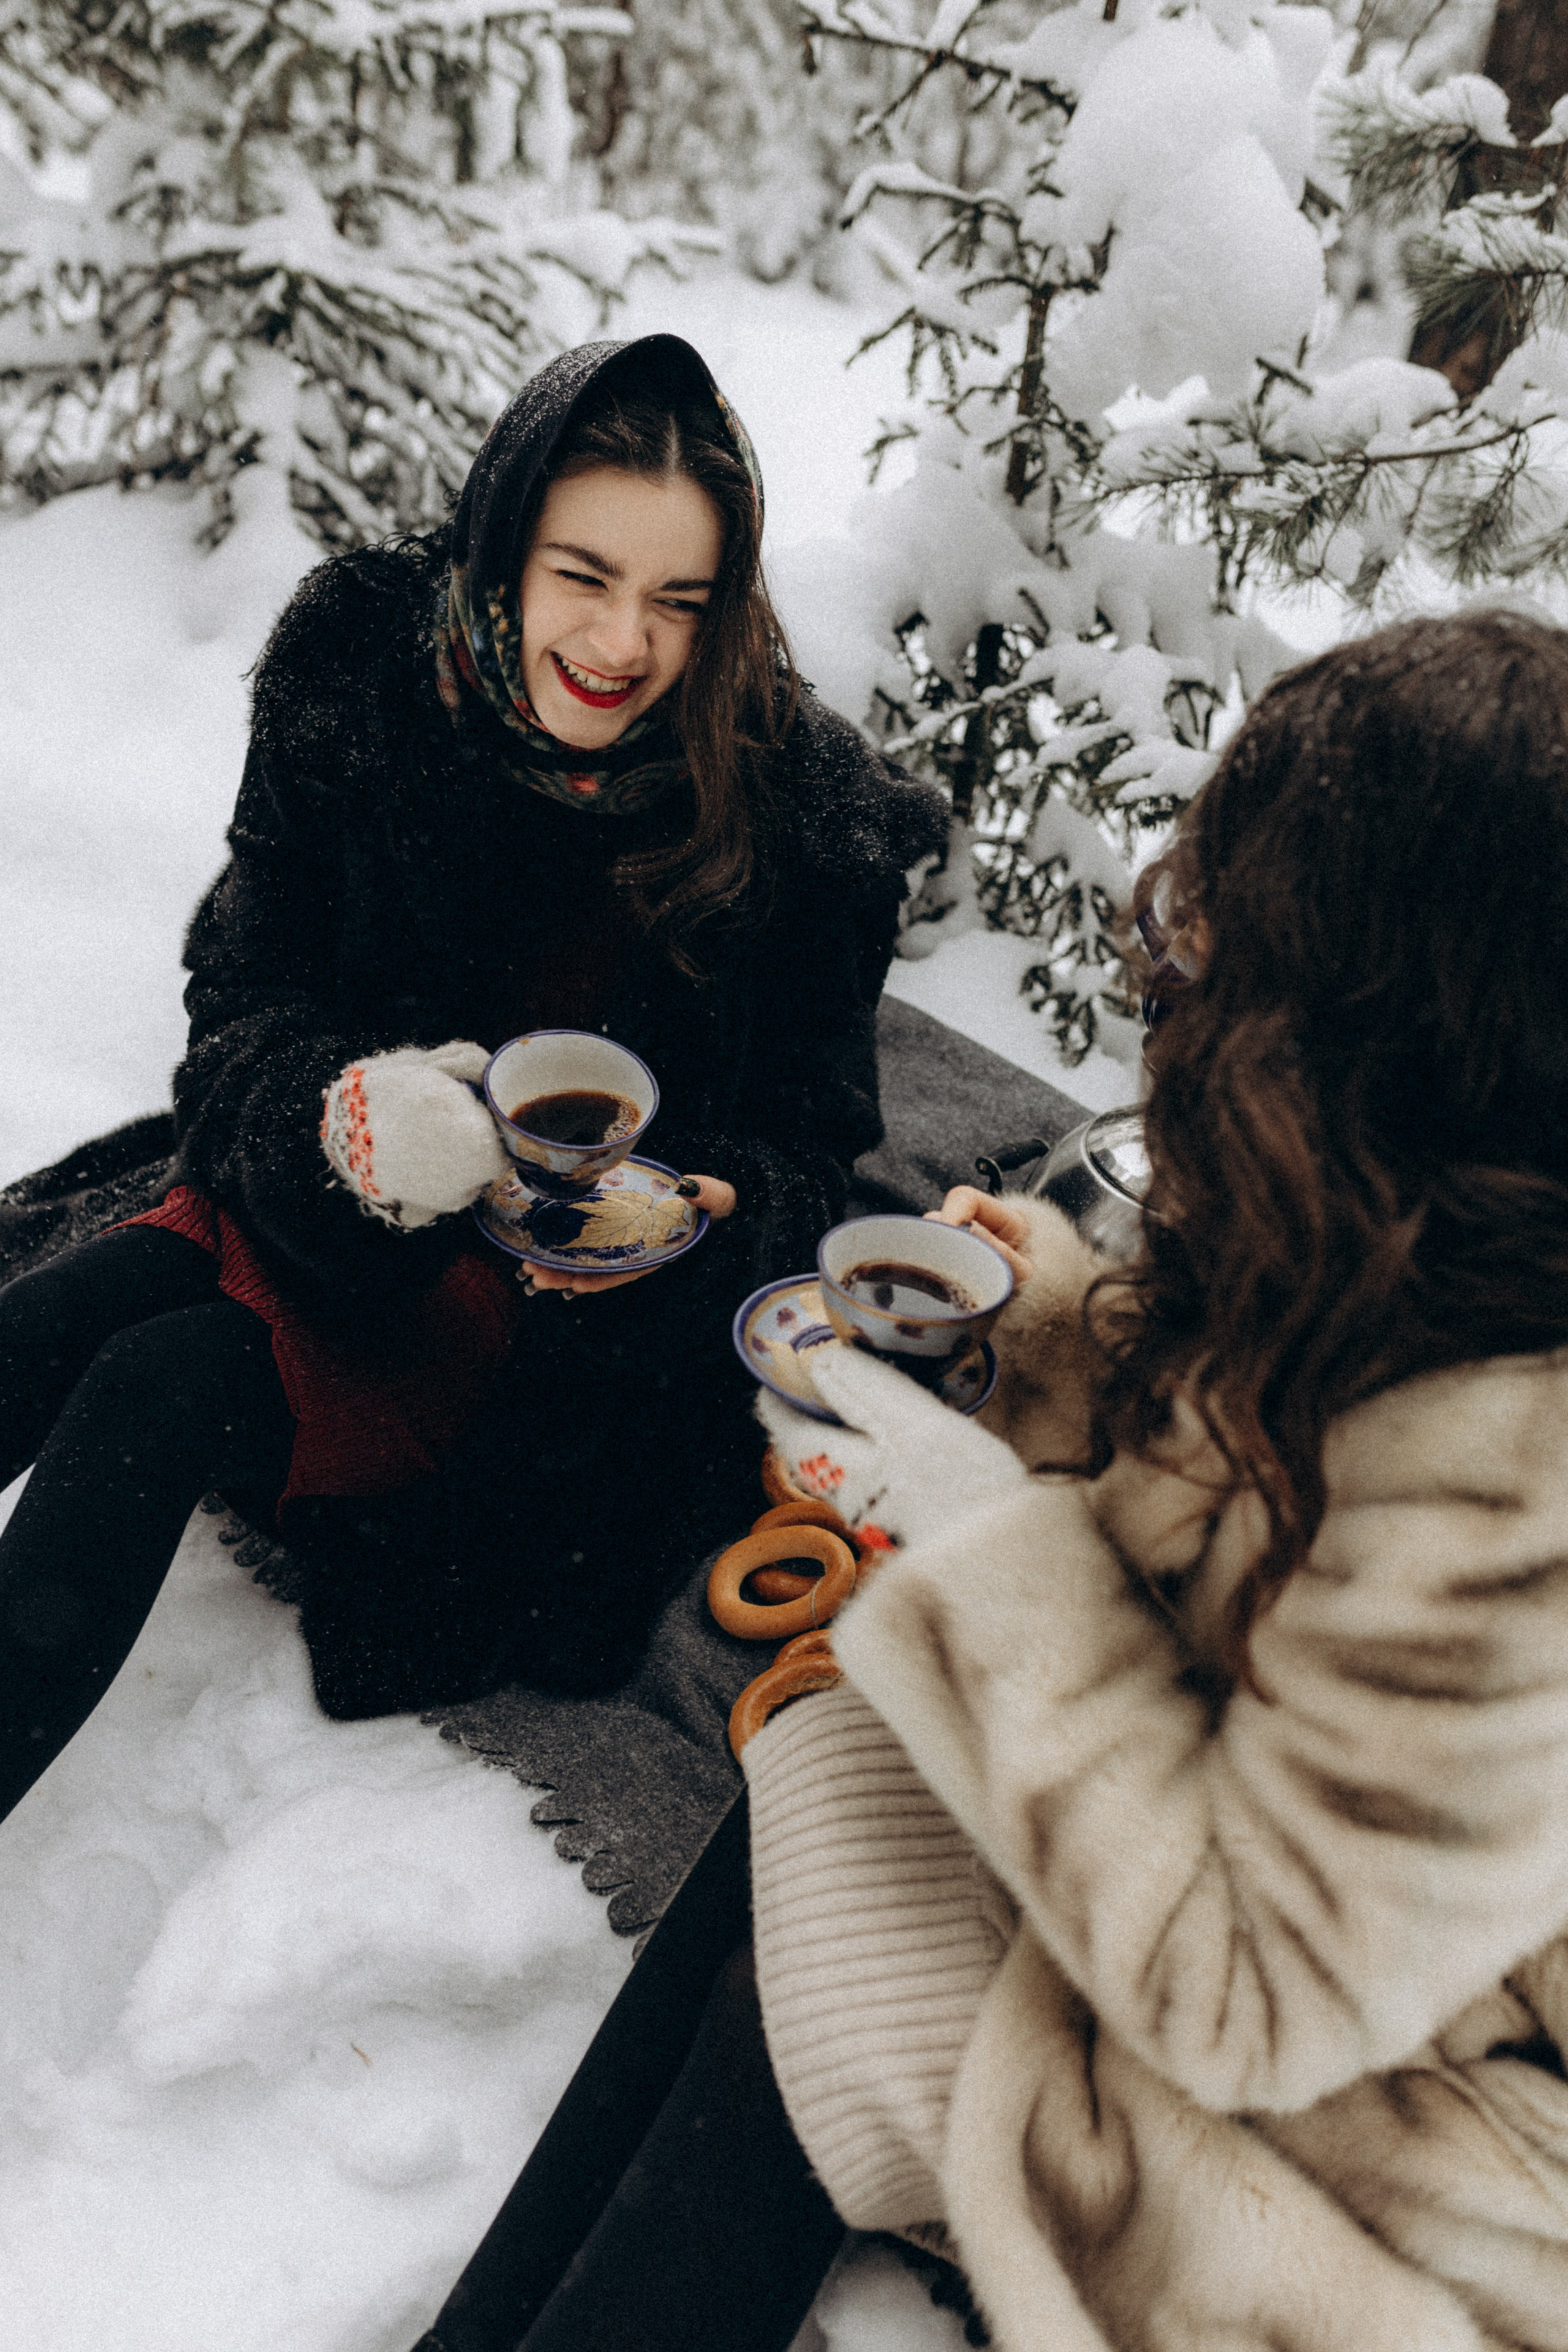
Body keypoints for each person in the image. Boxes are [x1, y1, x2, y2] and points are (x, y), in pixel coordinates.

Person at [418, 608, 1568, 2352]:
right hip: (1375, 1954)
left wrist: (984, 1545)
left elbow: (1250, 2001)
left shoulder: (1527, 1506)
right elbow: (1293, 1505)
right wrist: (1062, 1338)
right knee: (847, 1767)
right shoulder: (1446, 1232)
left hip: (1426, 2136)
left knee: (841, 1909)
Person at [0, 332, 946, 1819]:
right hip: (326, 1201)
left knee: (157, 1382)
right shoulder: (364, 675)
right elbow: (247, 989)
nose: (624, 643)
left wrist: (698, 1224)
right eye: (584, 575)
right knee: (63, 1308)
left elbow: (808, 1157)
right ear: (502, 549)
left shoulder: (804, 829)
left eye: (677, 602)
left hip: (532, 1348)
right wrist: (341, 1121)